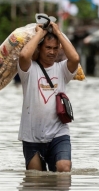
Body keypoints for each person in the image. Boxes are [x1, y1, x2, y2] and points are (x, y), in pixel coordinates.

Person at [17, 21, 80, 172]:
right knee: (35, 180)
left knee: (64, 169)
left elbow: (75, 59)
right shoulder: (28, 69)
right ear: (39, 47)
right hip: (31, 136)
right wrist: (40, 33)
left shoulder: (62, 69)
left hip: (59, 134)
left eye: (55, 48)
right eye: (48, 48)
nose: (52, 52)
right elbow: (24, 55)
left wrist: (58, 32)